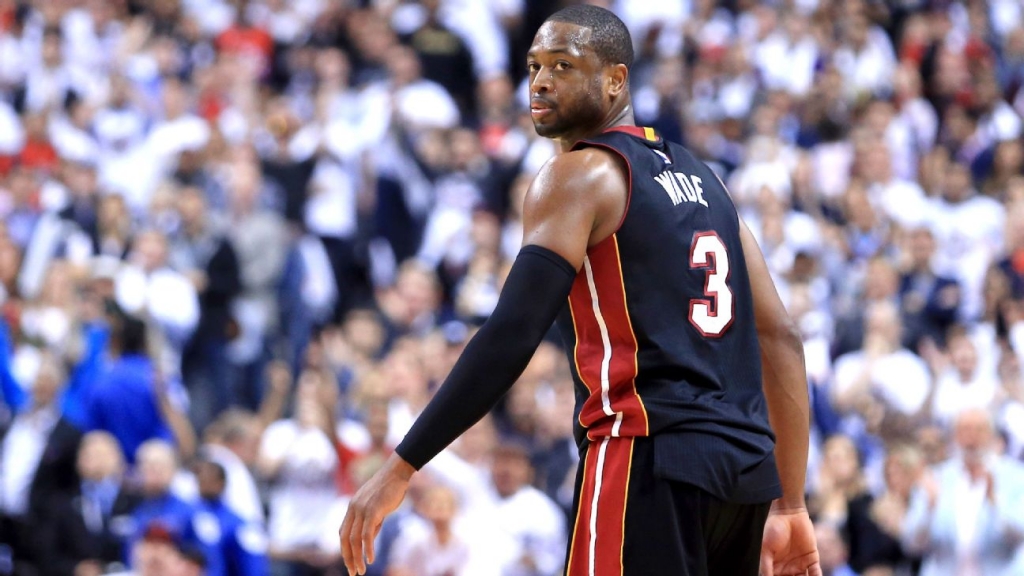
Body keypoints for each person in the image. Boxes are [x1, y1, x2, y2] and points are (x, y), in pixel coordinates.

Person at [340, 6, 819, 576]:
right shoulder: (709, 184)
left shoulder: (578, 175)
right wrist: (791, 503)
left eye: (563, 66)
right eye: (534, 66)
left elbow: (513, 331)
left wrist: (402, 466)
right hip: (745, 477)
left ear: (615, 79)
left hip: (646, 452)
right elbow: (781, 336)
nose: (540, 81)